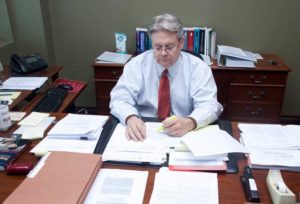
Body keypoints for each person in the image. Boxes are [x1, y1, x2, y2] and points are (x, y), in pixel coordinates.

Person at [110, 13, 223, 141]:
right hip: (144, 131)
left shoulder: (198, 68)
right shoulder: (136, 65)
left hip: (185, 132)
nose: (163, 53)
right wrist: (130, 117)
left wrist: (191, 122)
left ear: (181, 43)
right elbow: (119, 98)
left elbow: (209, 105)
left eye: (169, 47)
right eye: (157, 47)